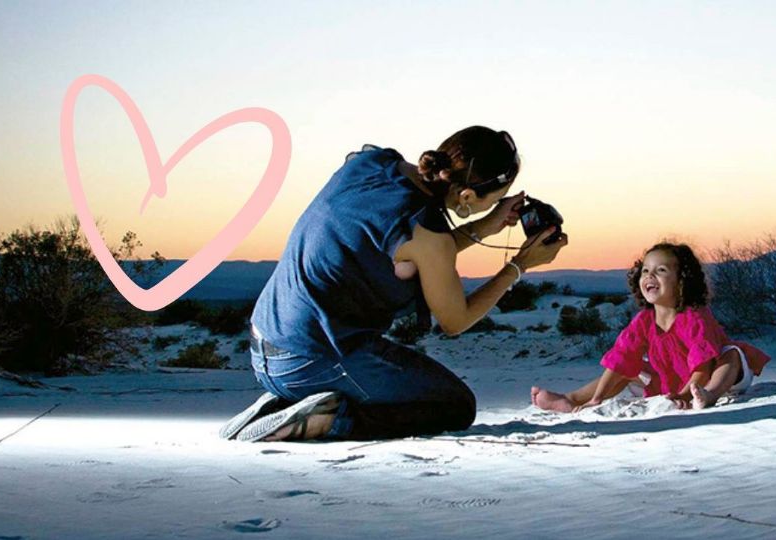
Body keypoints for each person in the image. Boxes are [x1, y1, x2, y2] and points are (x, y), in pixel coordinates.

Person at [220, 126, 568, 442]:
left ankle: (287, 401)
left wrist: (484, 226)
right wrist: (520, 265)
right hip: (314, 358)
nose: (491, 207)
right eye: (492, 200)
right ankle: (327, 419)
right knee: (455, 405)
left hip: (265, 348)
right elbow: (455, 320)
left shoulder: (373, 163)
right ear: (465, 197)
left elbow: (398, 245)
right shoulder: (428, 234)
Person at [531, 242, 769, 412]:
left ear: (682, 281)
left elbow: (703, 365)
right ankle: (571, 399)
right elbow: (620, 359)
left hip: (714, 379)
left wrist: (687, 394)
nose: (650, 276)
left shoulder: (695, 316)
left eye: (661, 271)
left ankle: (709, 396)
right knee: (630, 369)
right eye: (646, 270)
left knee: (731, 354)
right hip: (670, 381)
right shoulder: (644, 320)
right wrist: (598, 398)